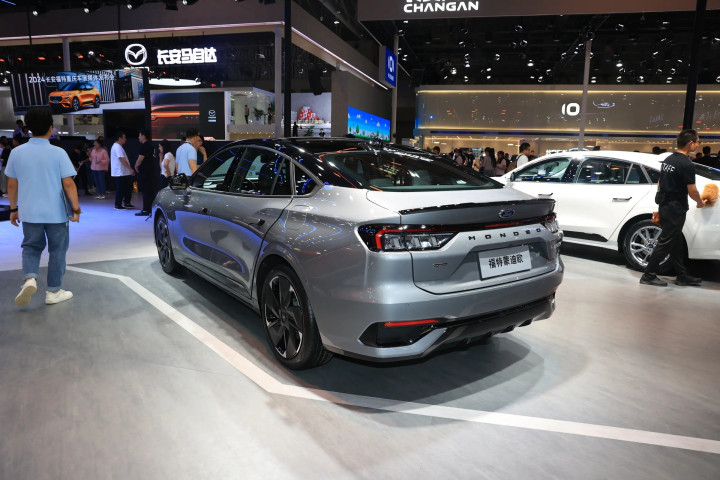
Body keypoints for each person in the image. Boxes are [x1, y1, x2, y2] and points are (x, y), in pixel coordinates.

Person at [5, 106, 80, 306]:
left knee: (31, 247)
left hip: (29, 212)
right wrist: (76, 209)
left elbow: (12, 184)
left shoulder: (17, 153)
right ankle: (53, 291)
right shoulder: (58, 153)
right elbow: (68, 183)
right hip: (56, 213)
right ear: (50, 128)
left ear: (28, 128)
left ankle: (30, 279)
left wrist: (13, 208)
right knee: (57, 250)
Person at [640, 129, 706, 287]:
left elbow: (660, 182)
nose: (698, 145)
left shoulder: (669, 159)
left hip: (665, 205)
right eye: (698, 142)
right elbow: (692, 191)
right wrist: (700, 202)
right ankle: (648, 275)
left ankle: (682, 275)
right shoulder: (686, 164)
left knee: (675, 242)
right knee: (665, 242)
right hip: (676, 208)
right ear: (691, 143)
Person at [110, 132, 135, 210]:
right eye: (124, 137)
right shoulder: (117, 147)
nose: (125, 139)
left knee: (127, 188)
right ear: (119, 138)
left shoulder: (118, 146)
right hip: (120, 172)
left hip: (123, 172)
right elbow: (121, 159)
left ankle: (127, 203)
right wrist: (130, 169)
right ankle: (118, 205)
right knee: (120, 189)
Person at [133, 129, 155, 216]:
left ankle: (146, 210)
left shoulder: (144, 146)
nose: (139, 137)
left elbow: (140, 159)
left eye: (139, 135)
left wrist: (135, 166)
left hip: (144, 172)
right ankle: (151, 209)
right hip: (150, 171)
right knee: (150, 191)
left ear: (143, 136)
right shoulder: (151, 146)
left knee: (145, 191)